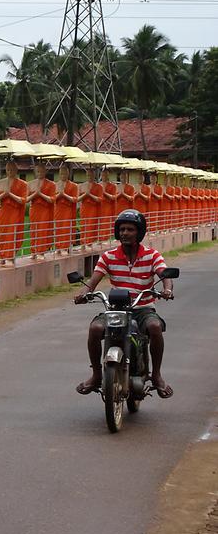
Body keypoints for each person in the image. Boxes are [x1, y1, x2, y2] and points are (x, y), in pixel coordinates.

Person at [74, 209, 174, 398]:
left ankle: (157, 375)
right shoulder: (108, 256)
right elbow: (92, 282)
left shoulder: (152, 255)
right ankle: (96, 374)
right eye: (121, 229)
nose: (125, 233)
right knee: (95, 329)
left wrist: (167, 289)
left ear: (140, 232)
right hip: (115, 310)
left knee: (154, 327)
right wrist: (83, 293)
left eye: (130, 229)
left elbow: (164, 274)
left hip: (143, 308)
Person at [0, 159, 27, 264]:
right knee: (3, 233)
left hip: (15, 213)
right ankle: (2, 257)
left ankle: (10, 257)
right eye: (8, 170)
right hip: (3, 212)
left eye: (12, 170)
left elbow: (23, 200)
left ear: (16, 170)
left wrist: (10, 194)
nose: (10, 172)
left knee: (13, 233)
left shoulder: (22, 184)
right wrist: (3, 194)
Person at [27, 161, 56, 259]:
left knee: (43, 230)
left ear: (45, 171)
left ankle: (41, 251)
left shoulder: (51, 184)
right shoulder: (30, 184)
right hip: (34, 210)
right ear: (35, 172)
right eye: (38, 171)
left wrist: (41, 194)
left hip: (45, 210)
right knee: (34, 230)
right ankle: (33, 251)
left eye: (42, 171)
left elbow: (52, 199)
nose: (40, 173)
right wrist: (35, 194)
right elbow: (26, 199)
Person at [53, 164, 79, 253]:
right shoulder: (55, 185)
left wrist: (64, 195)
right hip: (58, 210)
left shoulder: (73, 186)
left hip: (68, 211)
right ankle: (58, 247)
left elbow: (75, 199)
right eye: (61, 174)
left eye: (65, 174)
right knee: (58, 228)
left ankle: (65, 247)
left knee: (66, 228)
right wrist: (59, 195)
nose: (63, 176)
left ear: (68, 174)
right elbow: (52, 199)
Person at [77, 166, 103, 248]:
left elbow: (100, 199)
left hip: (93, 209)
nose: (90, 177)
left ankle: (89, 243)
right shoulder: (81, 186)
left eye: (91, 175)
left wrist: (90, 195)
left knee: (91, 225)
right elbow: (77, 199)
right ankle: (83, 243)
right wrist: (85, 195)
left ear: (94, 176)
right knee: (83, 225)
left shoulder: (99, 187)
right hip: (84, 209)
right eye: (88, 175)